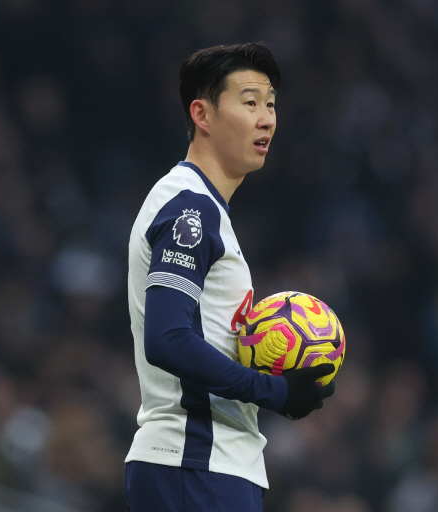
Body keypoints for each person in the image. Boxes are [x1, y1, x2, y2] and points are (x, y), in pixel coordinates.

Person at [123, 42, 335, 512]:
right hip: (193, 463)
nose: (267, 120)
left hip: (207, 467)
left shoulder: (203, 207)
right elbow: (168, 338)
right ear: (202, 113)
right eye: (250, 102)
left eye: (271, 105)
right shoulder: (190, 210)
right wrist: (277, 391)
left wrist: (290, 372)